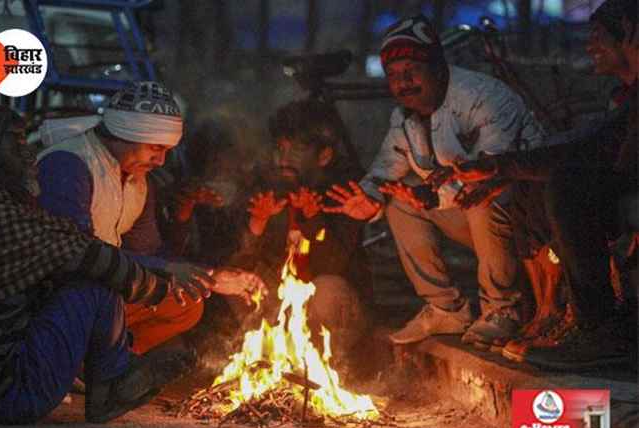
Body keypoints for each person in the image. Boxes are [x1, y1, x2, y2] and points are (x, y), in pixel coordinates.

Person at [0, 103, 201, 425]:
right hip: (7, 396)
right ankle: (111, 384)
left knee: (100, 275)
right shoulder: (12, 203)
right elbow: (84, 253)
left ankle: (112, 371)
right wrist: (154, 288)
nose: (28, 154)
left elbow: (67, 241)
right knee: (97, 281)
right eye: (15, 145)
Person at [436, 0, 637, 370]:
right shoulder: (625, 96)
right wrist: (506, 171)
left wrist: (503, 164)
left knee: (567, 184)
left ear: (628, 31)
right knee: (534, 184)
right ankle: (553, 311)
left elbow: (597, 149)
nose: (590, 46)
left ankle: (600, 328)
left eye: (597, 36)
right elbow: (598, 143)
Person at [324, 15, 544, 349]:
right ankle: (446, 308)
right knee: (399, 202)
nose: (404, 83)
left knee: (482, 196)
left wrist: (430, 197)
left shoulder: (484, 97)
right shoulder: (404, 118)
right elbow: (385, 171)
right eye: (394, 76)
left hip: (532, 224)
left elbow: (491, 176)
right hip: (473, 219)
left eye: (412, 70)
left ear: (438, 68)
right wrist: (369, 198)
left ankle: (503, 310)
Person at [37, 81, 266, 356]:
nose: (160, 161)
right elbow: (76, 253)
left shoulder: (139, 181)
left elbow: (150, 252)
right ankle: (58, 358)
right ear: (126, 133)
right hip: (53, 290)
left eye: (166, 151)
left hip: (101, 282)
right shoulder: (69, 163)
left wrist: (211, 276)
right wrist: (178, 271)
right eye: (155, 148)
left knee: (184, 302)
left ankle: (101, 367)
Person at [230, 99, 369, 366]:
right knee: (235, 280)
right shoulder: (265, 188)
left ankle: (330, 369)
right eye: (281, 148)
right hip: (276, 307)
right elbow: (240, 261)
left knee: (328, 291)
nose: (284, 158)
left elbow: (333, 265)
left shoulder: (343, 194)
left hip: (330, 311)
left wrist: (313, 219)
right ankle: (263, 362)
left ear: (324, 156)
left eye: (297, 149)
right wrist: (257, 223)